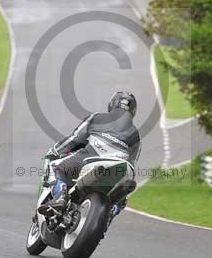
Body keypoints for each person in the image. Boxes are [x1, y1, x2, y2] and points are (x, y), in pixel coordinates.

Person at [38, 90, 140, 220]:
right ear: (133, 111)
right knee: (123, 194)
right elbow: (132, 164)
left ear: (112, 104)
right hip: (120, 167)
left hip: (92, 156)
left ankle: (60, 197)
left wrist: (54, 152)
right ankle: (109, 214)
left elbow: (74, 139)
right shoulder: (136, 135)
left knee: (56, 167)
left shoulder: (97, 117)